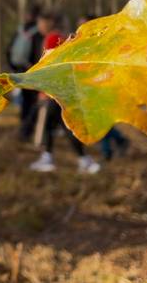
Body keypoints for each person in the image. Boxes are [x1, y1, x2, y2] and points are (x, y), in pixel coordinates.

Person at [29, 12, 101, 174]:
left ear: (49, 22)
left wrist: (45, 88)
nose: (39, 26)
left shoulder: (52, 38)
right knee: (60, 126)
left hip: (55, 91)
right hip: (60, 90)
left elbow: (51, 66)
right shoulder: (58, 37)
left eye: (40, 22)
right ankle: (79, 160)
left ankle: (55, 159)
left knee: (54, 125)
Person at [77, 14, 129, 160]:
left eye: (84, 25)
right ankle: (119, 141)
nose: (81, 29)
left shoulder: (102, 43)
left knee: (99, 120)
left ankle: (108, 152)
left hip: (103, 87)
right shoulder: (83, 44)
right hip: (89, 87)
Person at [7, 5, 44, 140]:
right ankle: (27, 131)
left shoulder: (21, 29)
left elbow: (9, 49)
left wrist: (13, 67)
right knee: (34, 103)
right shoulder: (38, 32)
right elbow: (38, 53)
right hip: (32, 71)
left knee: (26, 102)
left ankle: (24, 129)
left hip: (20, 70)